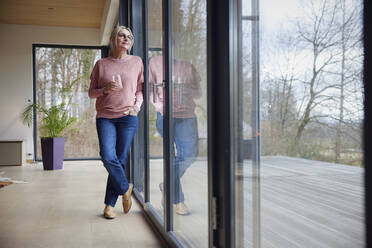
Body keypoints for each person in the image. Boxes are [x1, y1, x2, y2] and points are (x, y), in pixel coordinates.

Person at [88, 26, 143, 219]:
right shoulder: (101, 64)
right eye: (122, 35)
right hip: (105, 116)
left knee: (119, 160)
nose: (126, 38)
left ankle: (109, 206)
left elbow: (139, 89)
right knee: (108, 156)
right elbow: (91, 93)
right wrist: (104, 90)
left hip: (128, 117)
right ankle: (125, 188)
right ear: (113, 39)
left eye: (129, 36)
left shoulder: (137, 61)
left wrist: (137, 107)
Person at [149, 53, 201, 215]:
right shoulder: (155, 63)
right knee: (171, 157)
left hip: (186, 116)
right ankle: (178, 201)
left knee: (189, 155)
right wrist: (158, 106)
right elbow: (148, 88)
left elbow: (198, 91)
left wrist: (186, 91)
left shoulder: (187, 65)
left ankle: (167, 184)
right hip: (165, 115)